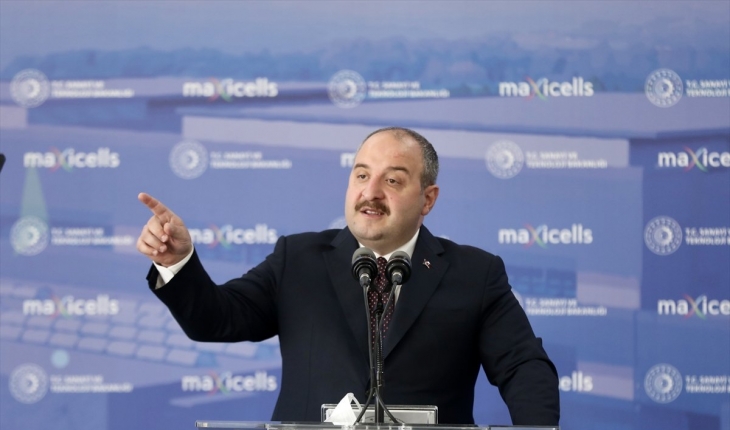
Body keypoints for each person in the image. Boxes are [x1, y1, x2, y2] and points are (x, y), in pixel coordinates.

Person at [136, 127, 560, 425]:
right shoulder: (298, 259)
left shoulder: (474, 273)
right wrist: (178, 261)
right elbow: (215, 319)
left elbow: (524, 367)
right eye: (361, 175)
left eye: (392, 180)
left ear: (427, 199)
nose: (370, 192)